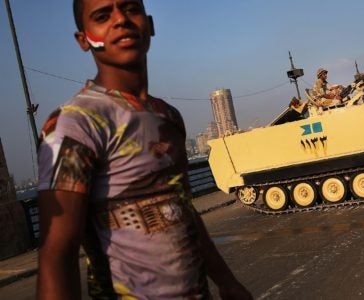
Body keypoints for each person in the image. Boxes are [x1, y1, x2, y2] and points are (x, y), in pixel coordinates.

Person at [36, 1, 252, 299]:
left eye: (130, 9)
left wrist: (227, 281)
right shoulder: (74, 123)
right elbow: (57, 253)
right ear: (84, 39)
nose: (121, 20)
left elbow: (185, 211)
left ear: (149, 25)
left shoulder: (168, 117)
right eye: (102, 16)